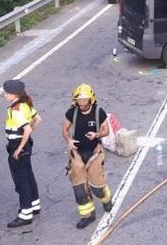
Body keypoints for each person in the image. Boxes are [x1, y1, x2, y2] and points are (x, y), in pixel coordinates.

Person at [62, 84, 114, 229]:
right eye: (79, 100)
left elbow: (106, 130)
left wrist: (97, 134)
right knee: (79, 189)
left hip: (94, 154)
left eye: (85, 100)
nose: (82, 103)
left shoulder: (99, 112)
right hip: (77, 155)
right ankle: (88, 215)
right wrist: (69, 140)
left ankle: (106, 199)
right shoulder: (72, 112)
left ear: (91, 99)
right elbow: (65, 128)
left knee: (97, 188)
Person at [2, 80, 41, 228]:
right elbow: (38, 120)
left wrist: (19, 148)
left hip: (17, 146)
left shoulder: (15, 110)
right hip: (26, 146)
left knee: (21, 180)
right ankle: (34, 204)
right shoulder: (26, 105)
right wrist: (27, 139)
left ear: (14, 95)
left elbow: (28, 129)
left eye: (6, 93)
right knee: (29, 175)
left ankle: (26, 213)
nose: (5, 95)